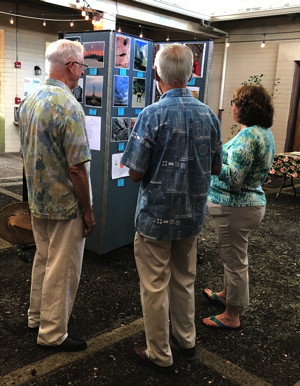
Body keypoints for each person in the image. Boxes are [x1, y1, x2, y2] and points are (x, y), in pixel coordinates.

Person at [121, 43, 222, 373]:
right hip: (192, 217)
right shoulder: (209, 115)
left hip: (155, 219)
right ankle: (187, 339)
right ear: (192, 72)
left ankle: (160, 353)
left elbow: (135, 172)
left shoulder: (151, 115)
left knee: (154, 286)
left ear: (156, 74)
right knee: (185, 280)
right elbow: (216, 167)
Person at [19, 39, 95, 351]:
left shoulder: (31, 99)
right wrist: (87, 211)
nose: (82, 72)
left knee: (43, 260)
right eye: (81, 66)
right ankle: (52, 333)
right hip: (65, 204)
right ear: (70, 66)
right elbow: (77, 169)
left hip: (38, 200)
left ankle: (36, 317)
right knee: (62, 271)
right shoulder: (68, 106)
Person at [202, 85, 275, 329]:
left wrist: (211, 159)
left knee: (235, 261)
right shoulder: (264, 132)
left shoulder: (249, 135)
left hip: (237, 207)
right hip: (248, 205)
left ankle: (232, 315)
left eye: (236, 102)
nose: (232, 106)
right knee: (232, 256)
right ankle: (226, 295)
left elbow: (234, 179)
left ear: (246, 108)